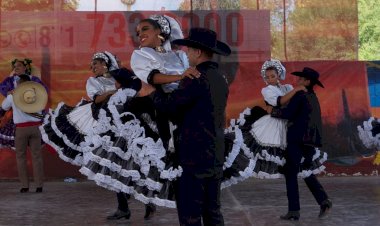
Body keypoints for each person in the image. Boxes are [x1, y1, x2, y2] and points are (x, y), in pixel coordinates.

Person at [148, 27, 231, 226]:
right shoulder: (221, 78)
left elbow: (171, 107)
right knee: (213, 211)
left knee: (190, 215)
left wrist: (151, 92)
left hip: (194, 155)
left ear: (198, 52)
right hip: (215, 152)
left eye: (189, 50)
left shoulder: (194, 78)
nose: (186, 53)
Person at [225, 60, 327, 180]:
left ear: (278, 75)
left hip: (287, 120)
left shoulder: (287, 87)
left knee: (292, 149)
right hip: (274, 121)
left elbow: (294, 104)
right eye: (267, 77)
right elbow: (280, 101)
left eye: (273, 76)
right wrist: (296, 90)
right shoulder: (267, 90)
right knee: (271, 149)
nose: (270, 79)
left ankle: (296, 172)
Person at [267, 67, 332, 220]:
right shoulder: (312, 96)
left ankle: (294, 211)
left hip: (297, 139)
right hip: (310, 141)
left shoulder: (300, 95)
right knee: (306, 171)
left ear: (307, 82)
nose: (298, 81)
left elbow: (288, 113)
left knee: (290, 173)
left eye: (301, 79)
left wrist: (272, 111)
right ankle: (323, 200)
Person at [39, 51, 119, 166]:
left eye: (95, 64)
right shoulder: (93, 81)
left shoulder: (116, 80)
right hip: (99, 116)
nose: (93, 67)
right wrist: (111, 93)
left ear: (104, 64)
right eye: (92, 65)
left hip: (117, 114)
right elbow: (96, 99)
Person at [1, 74, 47, 193]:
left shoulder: (13, 96)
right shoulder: (38, 95)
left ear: (19, 84)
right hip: (36, 128)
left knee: (20, 157)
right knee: (37, 157)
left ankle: (25, 186)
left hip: (21, 129)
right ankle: (39, 185)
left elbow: (3, 108)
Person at [0, 58, 46, 149]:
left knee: (29, 151)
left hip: (32, 115)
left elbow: (43, 93)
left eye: (19, 66)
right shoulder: (10, 80)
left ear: (25, 67)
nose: (16, 68)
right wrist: (8, 92)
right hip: (18, 115)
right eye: (15, 66)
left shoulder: (34, 79)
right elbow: (3, 89)